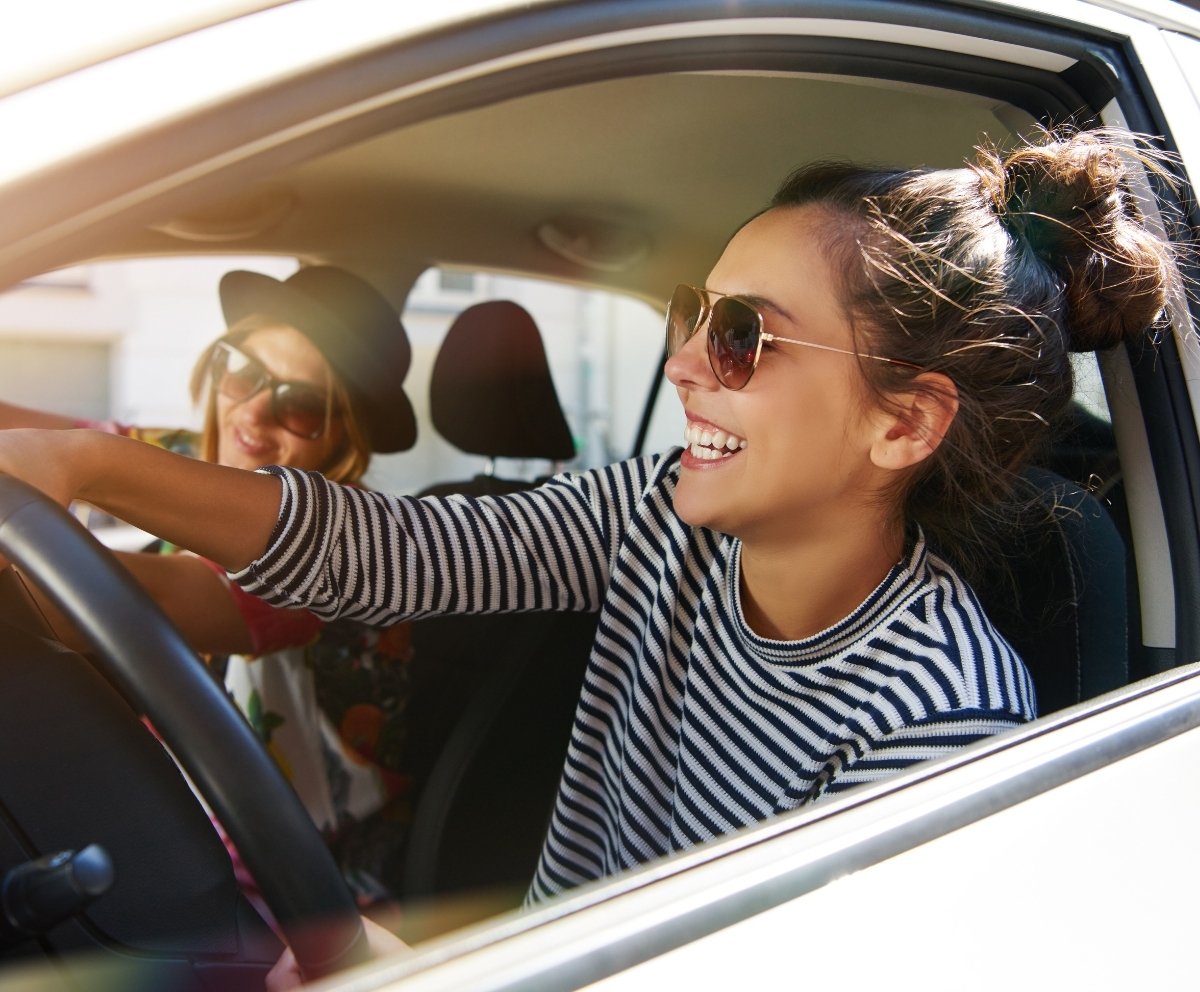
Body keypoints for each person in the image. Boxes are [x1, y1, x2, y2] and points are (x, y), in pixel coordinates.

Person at [0, 128, 1178, 984]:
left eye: (743, 335)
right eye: (691, 310)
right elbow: (393, 550)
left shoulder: (941, 714)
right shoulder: (655, 515)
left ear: (903, 423)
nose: (682, 366)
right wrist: (87, 464)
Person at [0, 265, 422, 913]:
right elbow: (55, 441)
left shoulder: (345, 552)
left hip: (295, 903)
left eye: (301, 405)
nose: (252, 413)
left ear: (344, 438)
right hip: (174, 834)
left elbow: (144, 602)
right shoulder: (187, 460)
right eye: (243, 373)